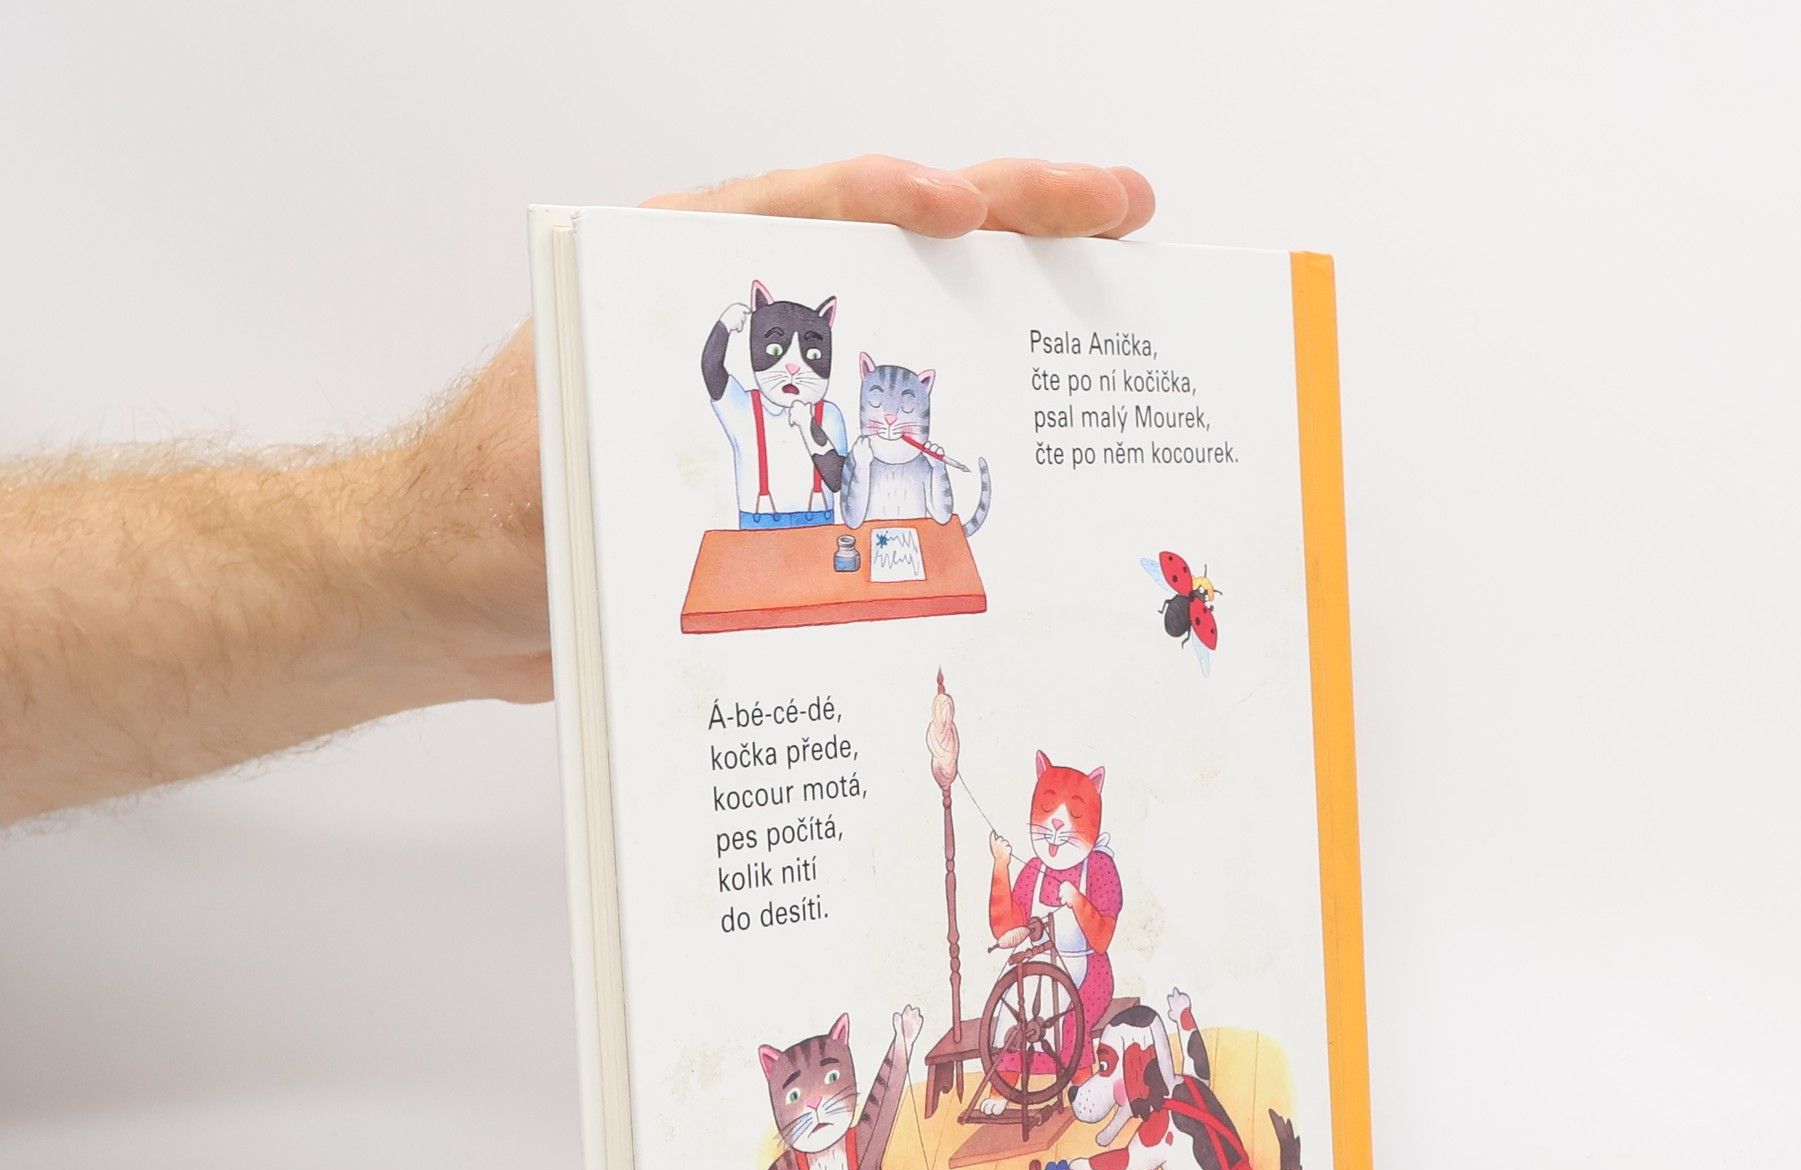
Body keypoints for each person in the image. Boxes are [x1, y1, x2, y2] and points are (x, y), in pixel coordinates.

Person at [0, 156, 1154, 827]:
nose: (800, 372)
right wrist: (690, 311)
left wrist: (848, 454)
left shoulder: (832, 413)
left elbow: (856, 488)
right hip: (759, 543)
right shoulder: (744, 404)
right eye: (787, 353)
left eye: (813, 354)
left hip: (822, 544)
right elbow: (713, 375)